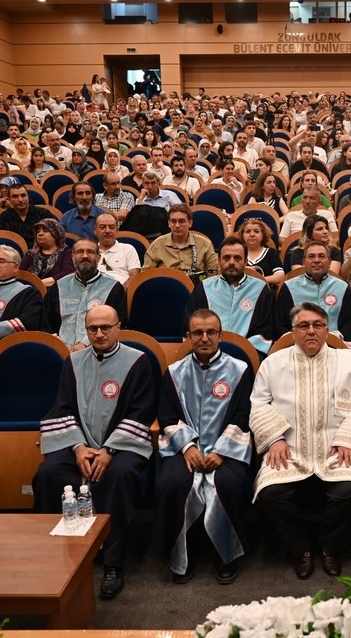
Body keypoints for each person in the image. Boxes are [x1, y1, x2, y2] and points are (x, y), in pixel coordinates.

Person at [34, 305, 154, 599]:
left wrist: (110, 450)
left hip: (122, 444)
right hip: (79, 443)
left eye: (105, 327)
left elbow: (142, 411)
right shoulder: (73, 362)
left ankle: (113, 562)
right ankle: (60, 555)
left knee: (120, 475)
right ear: (86, 330)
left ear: (118, 327)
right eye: (92, 329)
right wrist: (77, 447)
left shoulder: (138, 361)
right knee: (49, 473)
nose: (99, 334)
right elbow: (61, 407)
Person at [250, 302, 351, 579]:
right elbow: (258, 404)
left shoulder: (345, 362)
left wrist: (348, 440)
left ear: (327, 330)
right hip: (289, 450)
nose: (311, 331)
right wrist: (274, 439)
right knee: (271, 493)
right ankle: (300, 550)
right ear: (292, 332)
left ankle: (331, 547)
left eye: (317, 325)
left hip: (334, 449)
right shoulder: (273, 363)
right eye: (303, 326)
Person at [152, 309, 253, 585]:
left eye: (211, 332)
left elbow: (243, 414)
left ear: (220, 335)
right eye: (198, 332)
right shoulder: (174, 372)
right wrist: (187, 447)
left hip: (226, 447)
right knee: (172, 483)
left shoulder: (240, 369)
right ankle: (183, 552)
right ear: (189, 336)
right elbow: (167, 415)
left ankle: (227, 554)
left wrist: (221, 451)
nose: (205, 338)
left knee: (228, 484)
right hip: (185, 448)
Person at [183, 237, 274, 354]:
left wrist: (239, 350)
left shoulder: (261, 289)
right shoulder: (204, 288)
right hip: (207, 352)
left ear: (245, 261)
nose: (231, 262)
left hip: (247, 353)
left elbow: (265, 330)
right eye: (226, 258)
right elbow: (189, 323)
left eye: (237, 258)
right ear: (219, 260)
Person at [44, 239, 126, 350]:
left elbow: (117, 323)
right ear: (72, 257)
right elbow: (46, 323)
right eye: (80, 252)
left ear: (98, 257)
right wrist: (56, 343)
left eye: (90, 252)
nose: (85, 256)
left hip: (98, 349)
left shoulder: (113, 287)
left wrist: (85, 344)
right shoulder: (58, 287)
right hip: (60, 350)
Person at [276, 239, 351, 342]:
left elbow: (350, 325)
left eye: (321, 256)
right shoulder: (288, 287)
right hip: (297, 346)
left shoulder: (342, 288)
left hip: (334, 347)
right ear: (304, 262)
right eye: (311, 256)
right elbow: (280, 326)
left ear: (329, 262)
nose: (316, 260)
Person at [143, 204, 219, 276]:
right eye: (173, 221)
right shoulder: (157, 244)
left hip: (197, 287)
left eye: (181, 221)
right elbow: (145, 274)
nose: (177, 226)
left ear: (190, 223)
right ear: (169, 223)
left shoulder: (204, 244)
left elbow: (214, 272)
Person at [19, 218, 75, 288]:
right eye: (38, 231)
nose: (40, 234)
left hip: (55, 291)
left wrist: (38, 284)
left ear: (56, 234)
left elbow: (67, 274)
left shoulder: (67, 253)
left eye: (45, 231)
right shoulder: (31, 253)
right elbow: (19, 273)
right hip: (28, 290)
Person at [0, 182, 53, 248]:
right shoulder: (4, 217)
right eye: (15, 196)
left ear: (28, 197)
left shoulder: (44, 214)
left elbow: (55, 237)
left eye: (23, 195)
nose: (20, 200)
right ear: (9, 200)